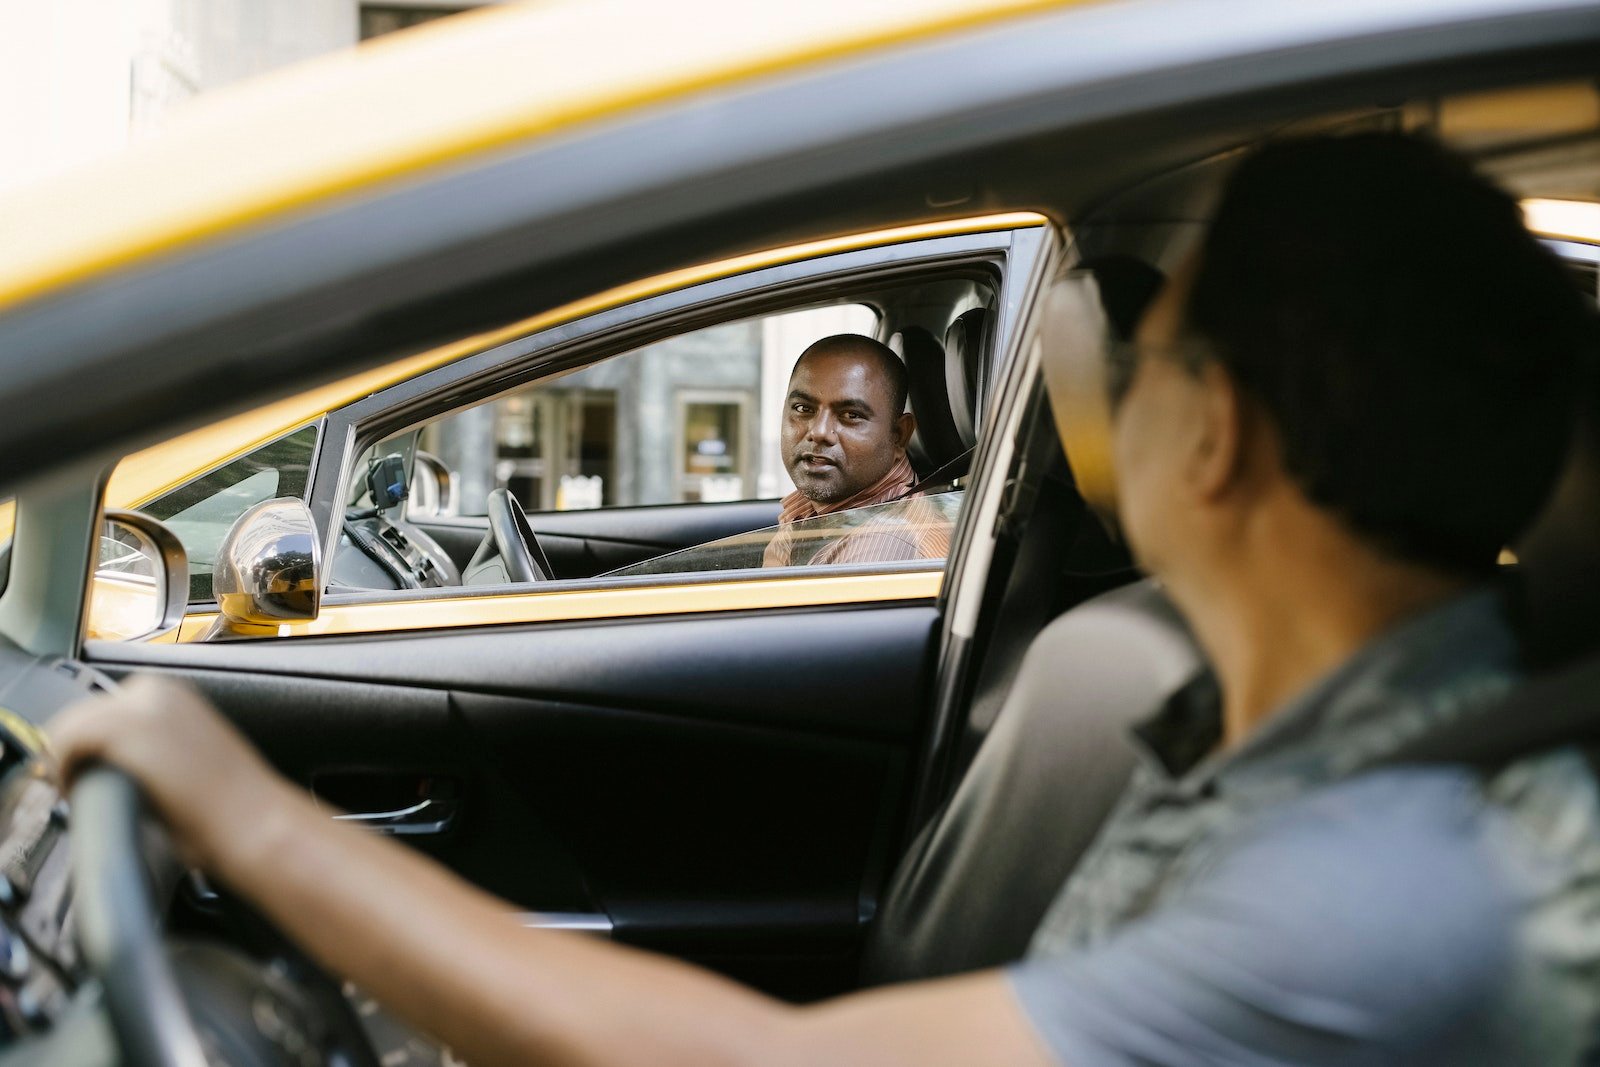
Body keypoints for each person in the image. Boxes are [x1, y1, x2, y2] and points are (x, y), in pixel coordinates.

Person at [51, 132, 1600, 1066]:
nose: (1099, 392)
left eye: (1147, 349)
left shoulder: (1390, 889)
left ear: (1221, 434)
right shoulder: (1281, 727)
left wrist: (250, 818)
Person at [762, 333, 951, 567]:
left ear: (899, 436)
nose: (819, 431)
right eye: (803, 408)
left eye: (851, 415)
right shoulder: (810, 513)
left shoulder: (883, 545)